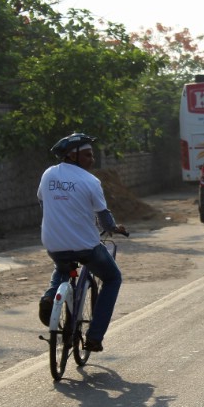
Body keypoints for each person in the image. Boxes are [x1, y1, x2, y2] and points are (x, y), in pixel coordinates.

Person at [38, 133, 128, 353]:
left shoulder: (48, 174)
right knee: (113, 278)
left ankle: (50, 297)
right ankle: (95, 337)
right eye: (88, 155)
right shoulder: (90, 181)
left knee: (62, 266)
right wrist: (113, 228)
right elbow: (104, 218)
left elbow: (42, 201)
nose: (92, 159)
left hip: (53, 243)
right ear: (72, 155)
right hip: (86, 246)